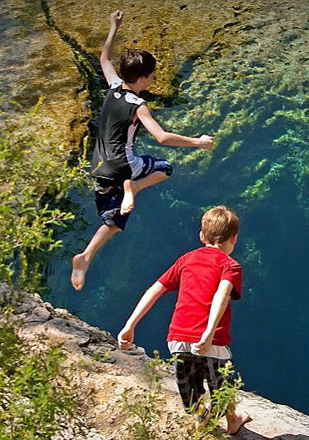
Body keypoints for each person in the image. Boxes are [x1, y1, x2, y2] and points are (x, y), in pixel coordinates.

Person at [71, 10, 216, 291]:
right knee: (164, 169)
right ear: (143, 78)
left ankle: (86, 255)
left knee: (113, 219)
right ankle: (132, 188)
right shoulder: (139, 106)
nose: (151, 81)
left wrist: (113, 27)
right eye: (150, 77)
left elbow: (104, 59)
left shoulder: (114, 87)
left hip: (99, 166)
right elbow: (161, 137)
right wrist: (198, 142)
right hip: (124, 166)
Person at [117, 206, 252, 435]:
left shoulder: (186, 259)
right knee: (222, 383)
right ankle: (232, 420)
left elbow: (156, 289)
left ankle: (202, 417)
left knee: (189, 386)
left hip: (178, 337)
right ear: (234, 239)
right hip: (212, 341)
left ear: (202, 236)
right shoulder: (230, 266)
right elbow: (222, 294)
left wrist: (129, 325)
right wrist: (209, 332)